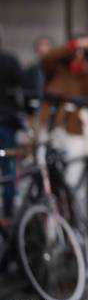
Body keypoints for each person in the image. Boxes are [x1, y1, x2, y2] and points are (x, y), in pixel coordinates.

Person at [39, 35, 88, 222]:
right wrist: (74, 45)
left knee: (75, 182)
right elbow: (47, 58)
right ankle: (51, 229)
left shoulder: (87, 70)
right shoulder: (57, 68)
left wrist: (84, 67)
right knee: (47, 181)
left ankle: (76, 226)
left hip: (76, 132)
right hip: (53, 128)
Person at [0, 41, 23, 227]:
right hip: (6, 121)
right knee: (8, 166)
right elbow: (23, 85)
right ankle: (8, 211)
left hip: (6, 121)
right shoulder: (9, 61)